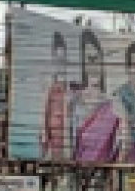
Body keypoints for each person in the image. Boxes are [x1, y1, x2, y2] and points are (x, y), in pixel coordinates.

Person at [71, 29, 125, 162]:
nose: (94, 66)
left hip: (104, 172)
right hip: (74, 169)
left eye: (98, 60)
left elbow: (122, 146)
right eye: (90, 60)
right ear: (82, 63)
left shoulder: (113, 104)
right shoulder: (73, 102)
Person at [40, 31, 73, 160]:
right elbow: (44, 117)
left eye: (63, 60)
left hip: (71, 147)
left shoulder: (72, 88)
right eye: (58, 60)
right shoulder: (49, 88)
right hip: (53, 146)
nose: (61, 64)